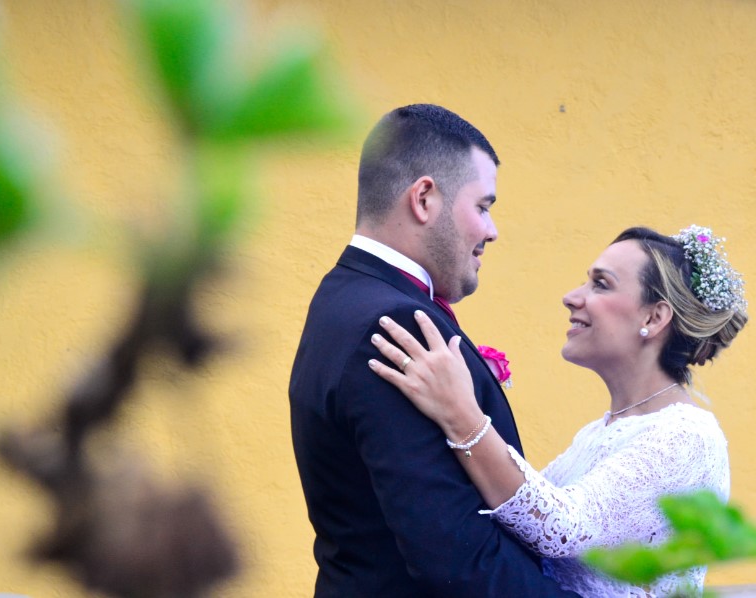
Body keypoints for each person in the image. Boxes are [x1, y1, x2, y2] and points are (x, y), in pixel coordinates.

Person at [289, 104, 579, 596]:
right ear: (424, 198)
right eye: (483, 207)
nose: (492, 231)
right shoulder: (395, 324)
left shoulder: (341, 295)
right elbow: (456, 559)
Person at [369, 225, 747, 596]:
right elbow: (520, 522)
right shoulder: (602, 430)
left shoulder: (687, 436)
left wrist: (460, 412)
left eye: (601, 284)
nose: (571, 297)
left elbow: (564, 528)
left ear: (653, 318)